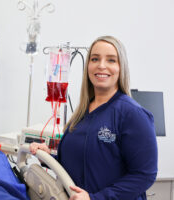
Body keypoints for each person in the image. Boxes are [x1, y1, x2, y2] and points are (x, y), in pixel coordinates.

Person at [30, 36, 158, 200]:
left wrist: (96, 198)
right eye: (95, 59)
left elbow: (144, 175)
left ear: (121, 67)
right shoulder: (82, 113)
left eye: (111, 60)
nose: (101, 65)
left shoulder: (133, 114)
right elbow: (80, 164)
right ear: (88, 66)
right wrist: (47, 157)